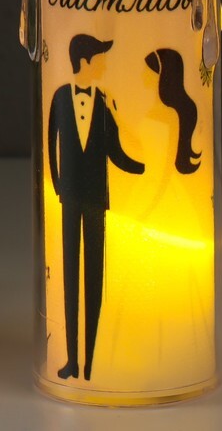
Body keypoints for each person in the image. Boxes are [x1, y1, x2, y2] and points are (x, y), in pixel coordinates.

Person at [48, 34, 145, 381]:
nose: (104, 66)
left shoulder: (103, 101)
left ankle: (91, 364)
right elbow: (51, 144)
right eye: (100, 59)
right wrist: (58, 185)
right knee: (70, 276)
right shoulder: (60, 96)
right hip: (69, 199)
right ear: (85, 61)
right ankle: (71, 360)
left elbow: (114, 150)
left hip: (96, 201)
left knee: (94, 278)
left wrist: (141, 167)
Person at [145, 48, 201, 174]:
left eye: (149, 70)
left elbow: (162, 164)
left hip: (157, 180)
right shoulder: (155, 113)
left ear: (162, 76)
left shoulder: (167, 117)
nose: (143, 74)